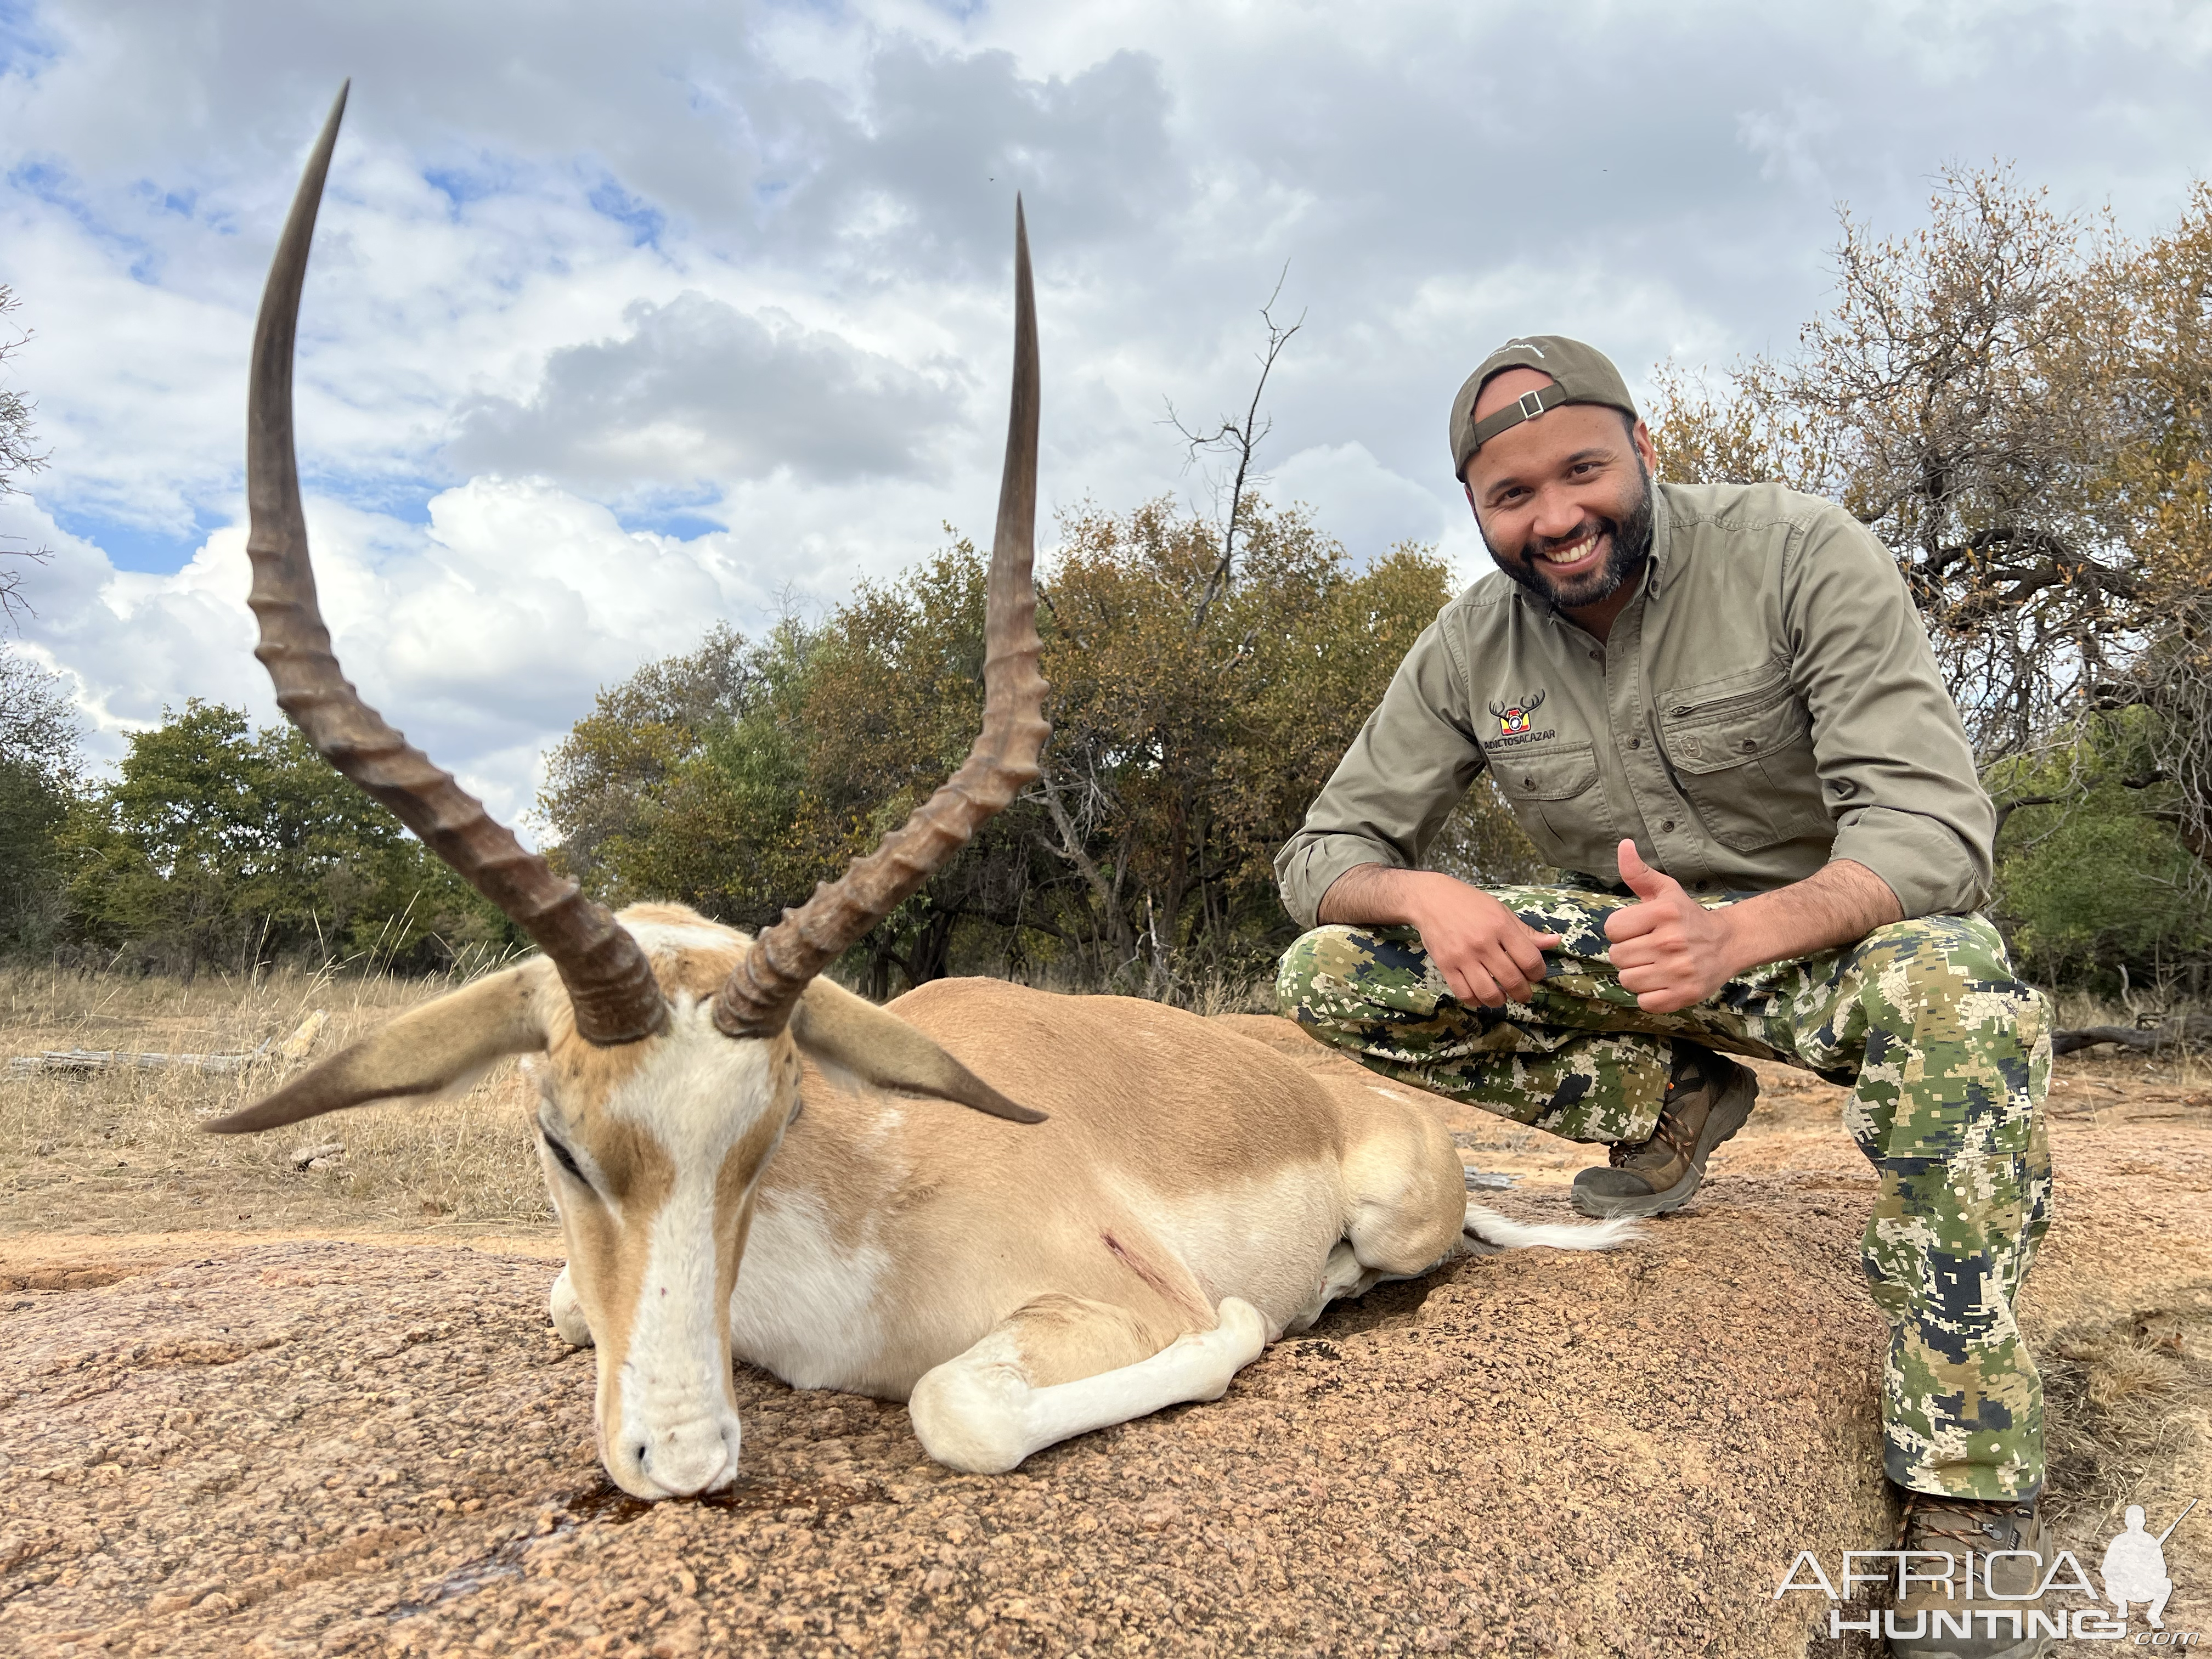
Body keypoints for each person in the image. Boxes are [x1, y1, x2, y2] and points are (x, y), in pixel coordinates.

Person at [1273, 337, 2055, 1659]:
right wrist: (1426, 897)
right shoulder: (1471, 643)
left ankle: (1963, 1487)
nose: (1558, 517)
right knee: (1334, 971)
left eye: (1582, 470)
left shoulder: (1801, 551)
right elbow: (1320, 856)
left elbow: (1936, 835)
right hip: (1636, 964)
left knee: (1967, 1002)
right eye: (1511, 496)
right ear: (1477, 512)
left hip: (1819, 941)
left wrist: (1741, 936)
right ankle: (1671, 1095)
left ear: (1644, 450)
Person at [2102, 1505, 2175, 1628]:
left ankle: (2154, 1614)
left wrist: (2146, 1571)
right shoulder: (2119, 1541)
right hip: (2122, 1588)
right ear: (2126, 1522)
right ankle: (2122, 1606)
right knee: (2111, 1583)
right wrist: (2124, 1571)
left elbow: (2162, 1569)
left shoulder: (2151, 1541)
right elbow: (2106, 1569)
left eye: (2138, 1520)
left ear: (2144, 1522)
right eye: (2131, 1520)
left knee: (2167, 1584)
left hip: (2144, 1588)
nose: (2135, 1524)